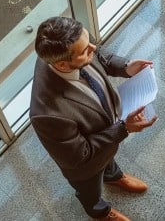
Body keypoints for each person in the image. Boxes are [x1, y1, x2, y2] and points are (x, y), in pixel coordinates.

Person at [30, 16, 158, 221]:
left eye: (88, 40)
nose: (93, 47)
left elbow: (99, 55)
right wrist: (123, 129)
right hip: (85, 167)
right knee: (89, 192)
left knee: (107, 158)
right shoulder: (47, 114)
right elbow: (79, 155)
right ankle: (100, 212)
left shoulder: (71, 47)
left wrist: (125, 67)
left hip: (104, 134)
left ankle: (113, 176)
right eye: (85, 50)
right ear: (62, 64)